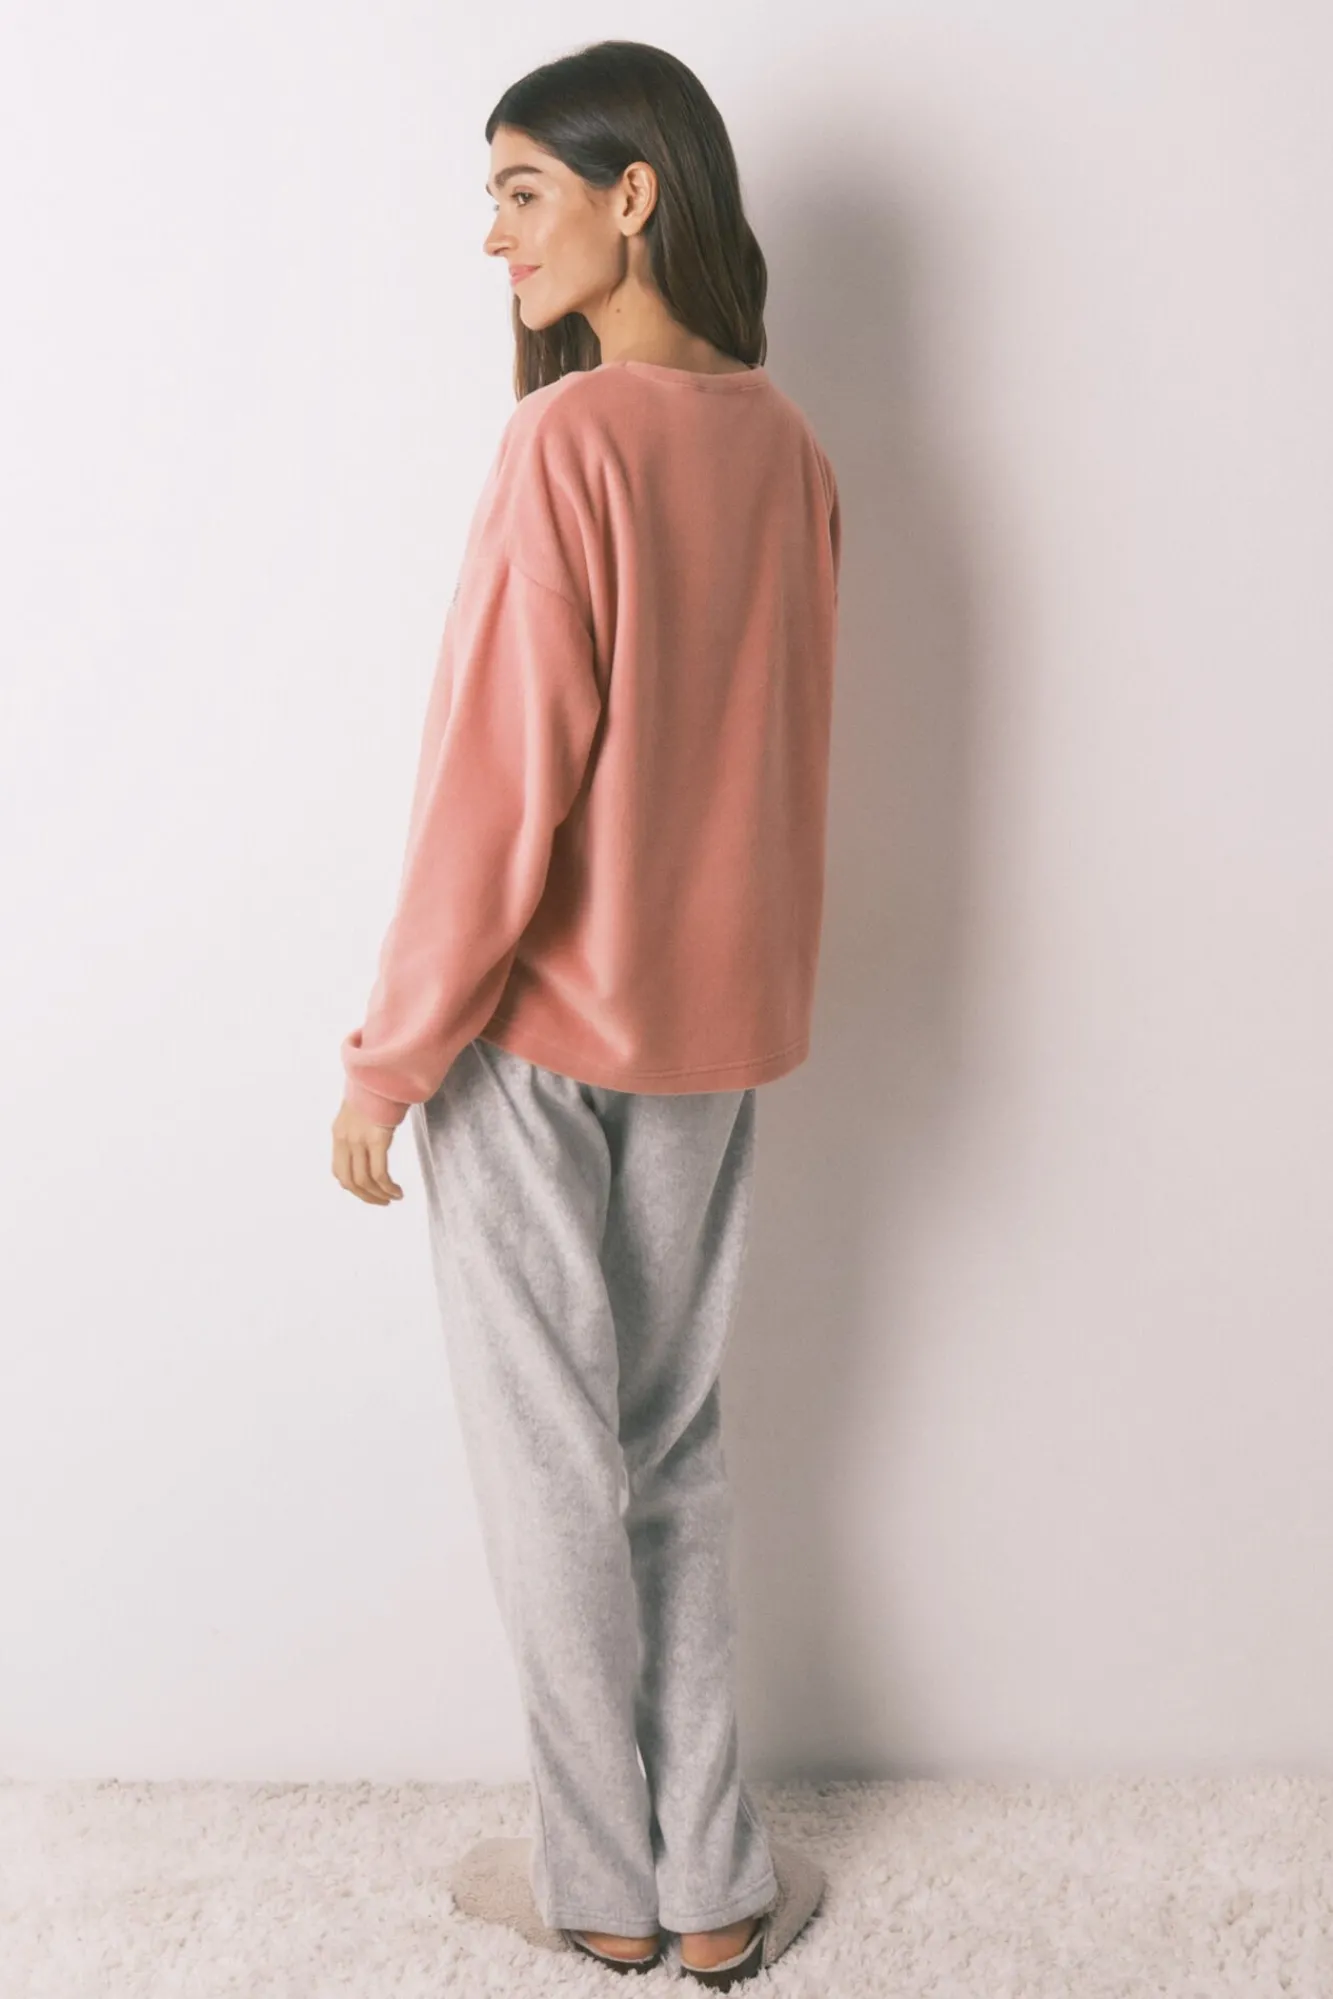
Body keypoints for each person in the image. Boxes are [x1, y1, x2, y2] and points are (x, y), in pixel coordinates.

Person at [331, 38, 840, 1990]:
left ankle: (599, 1890)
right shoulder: (790, 449)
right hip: (712, 1041)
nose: (495, 235)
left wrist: (392, 1053)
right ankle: (715, 1884)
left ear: (638, 194)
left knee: (557, 1463)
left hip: (535, 1039)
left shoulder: (569, 444)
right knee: (668, 1448)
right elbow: (780, 775)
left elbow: (497, 788)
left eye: (523, 190)